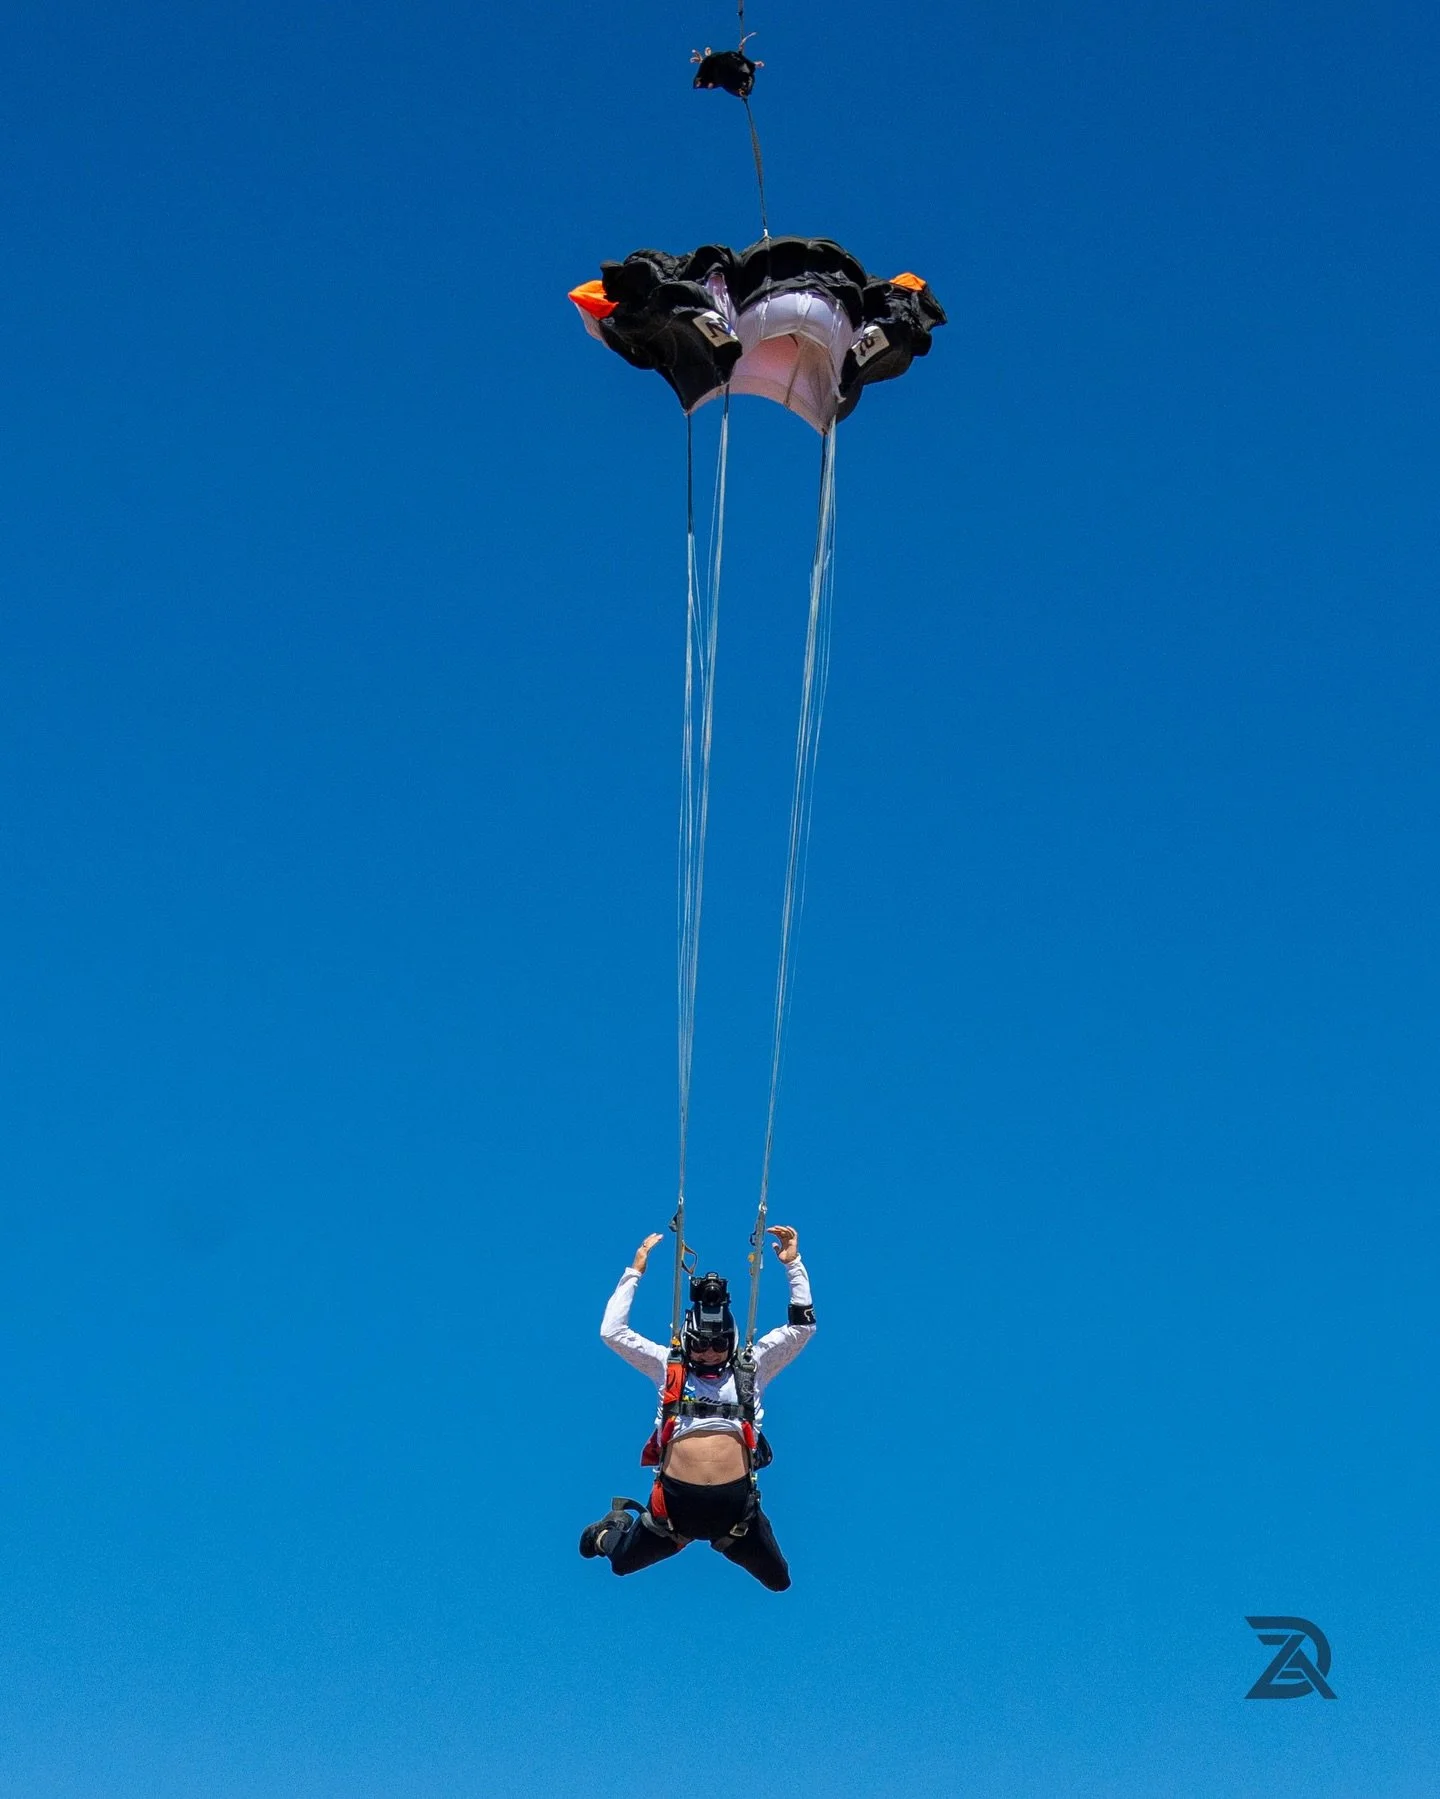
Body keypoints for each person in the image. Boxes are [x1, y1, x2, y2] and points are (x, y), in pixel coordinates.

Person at [579, 1223, 816, 1591]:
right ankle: (609, 1530)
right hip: (675, 1508)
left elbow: (801, 1328)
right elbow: (612, 1332)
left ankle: (723, 1538)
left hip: (736, 1512)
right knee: (622, 1563)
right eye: (701, 1345)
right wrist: (635, 1271)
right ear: (687, 1342)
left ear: (731, 1342)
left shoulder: (752, 1368)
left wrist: (793, 1264)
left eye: (719, 1345)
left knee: (779, 1579)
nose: (709, 1353)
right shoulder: (667, 1366)